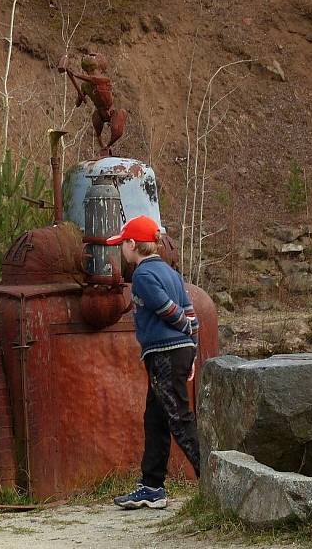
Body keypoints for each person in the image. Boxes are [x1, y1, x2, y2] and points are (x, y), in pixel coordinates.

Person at [105, 215, 200, 509]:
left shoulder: (143, 276)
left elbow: (168, 309)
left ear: (133, 245)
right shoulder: (171, 272)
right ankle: (152, 486)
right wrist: (192, 349)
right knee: (156, 418)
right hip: (179, 351)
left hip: (165, 353)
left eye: (122, 244)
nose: (121, 249)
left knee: (178, 418)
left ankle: (216, 478)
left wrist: (182, 329)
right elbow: (192, 315)